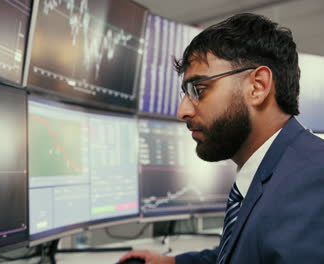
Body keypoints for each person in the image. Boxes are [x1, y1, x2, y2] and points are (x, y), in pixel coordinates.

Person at [119, 13, 324, 264]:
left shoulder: (313, 182)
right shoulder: (282, 170)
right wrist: (173, 262)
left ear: (257, 86)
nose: (182, 111)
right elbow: (249, 251)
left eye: (199, 90)